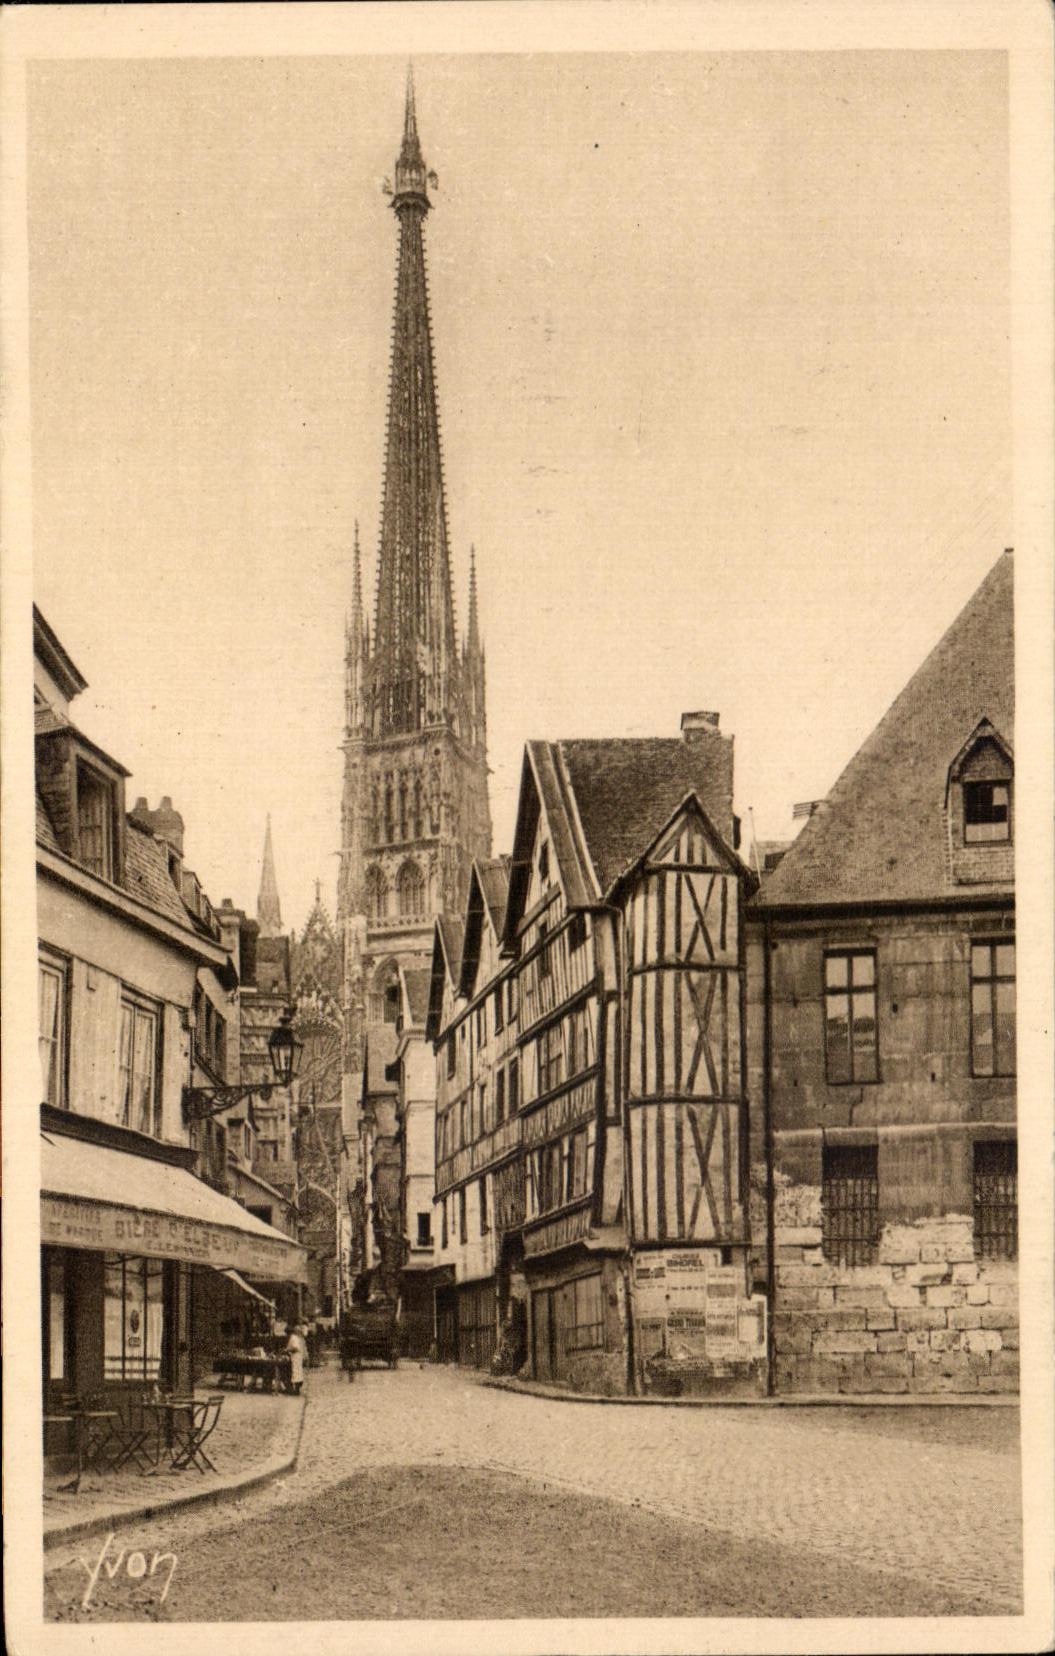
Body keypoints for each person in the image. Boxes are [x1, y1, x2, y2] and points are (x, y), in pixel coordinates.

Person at [285, 1324, 306, 1395]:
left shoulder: (293, 1337)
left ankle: (296, 1390)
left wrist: (287, 1350)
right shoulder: (297, 1338)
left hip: (296, 1356)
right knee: (298, 1372)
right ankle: (297, 1388)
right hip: (298, 1356)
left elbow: (295, 1348)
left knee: (296, 1372)